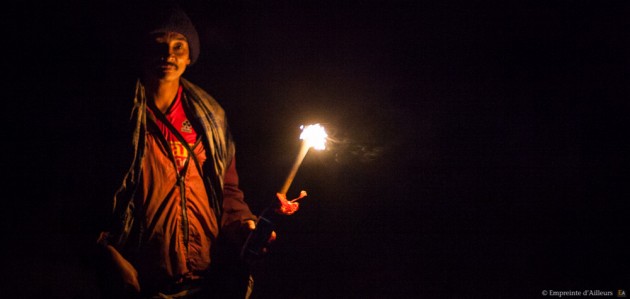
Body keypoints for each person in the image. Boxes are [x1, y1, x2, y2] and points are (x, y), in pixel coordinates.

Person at [95, 3, 273, 298]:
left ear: (190, 56)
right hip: (143, 280)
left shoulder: (210, 117)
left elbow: (227, 191)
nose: (168, 55)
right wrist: (105, 252)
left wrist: (245, 225)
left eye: (179, 46)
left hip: (208, 280)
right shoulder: (116, 117)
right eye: (158, 45)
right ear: (142, 51)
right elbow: (87, 197)